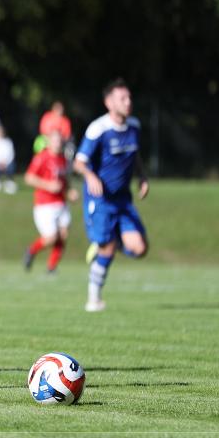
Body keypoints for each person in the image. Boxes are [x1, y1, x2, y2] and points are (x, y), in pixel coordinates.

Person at [73, 78, 149, 312]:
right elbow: (78, 162)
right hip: (101, 201)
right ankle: (93, 299)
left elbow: (134, 155)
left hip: (123, 200)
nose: (128, 102)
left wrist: (143, 176)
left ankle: (108, 243)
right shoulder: (99, 129)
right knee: (107, 249)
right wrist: (90, 176)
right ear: (108, 102)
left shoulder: (134, 126)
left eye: (129, 98)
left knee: (140, 249)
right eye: (122, 98)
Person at [23, 131, 77, 273]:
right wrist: (48, 185)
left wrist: (69, 191)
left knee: (63, 235)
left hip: (61, 202)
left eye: (60, 141)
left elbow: (65, 181)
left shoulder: (63, 159)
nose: (58, 143)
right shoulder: (42, 157)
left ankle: (52, 267)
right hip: (44, 204)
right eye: (55, 140)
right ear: (49, 142)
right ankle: (32, 250)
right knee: (51, 238)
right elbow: (29, 178)